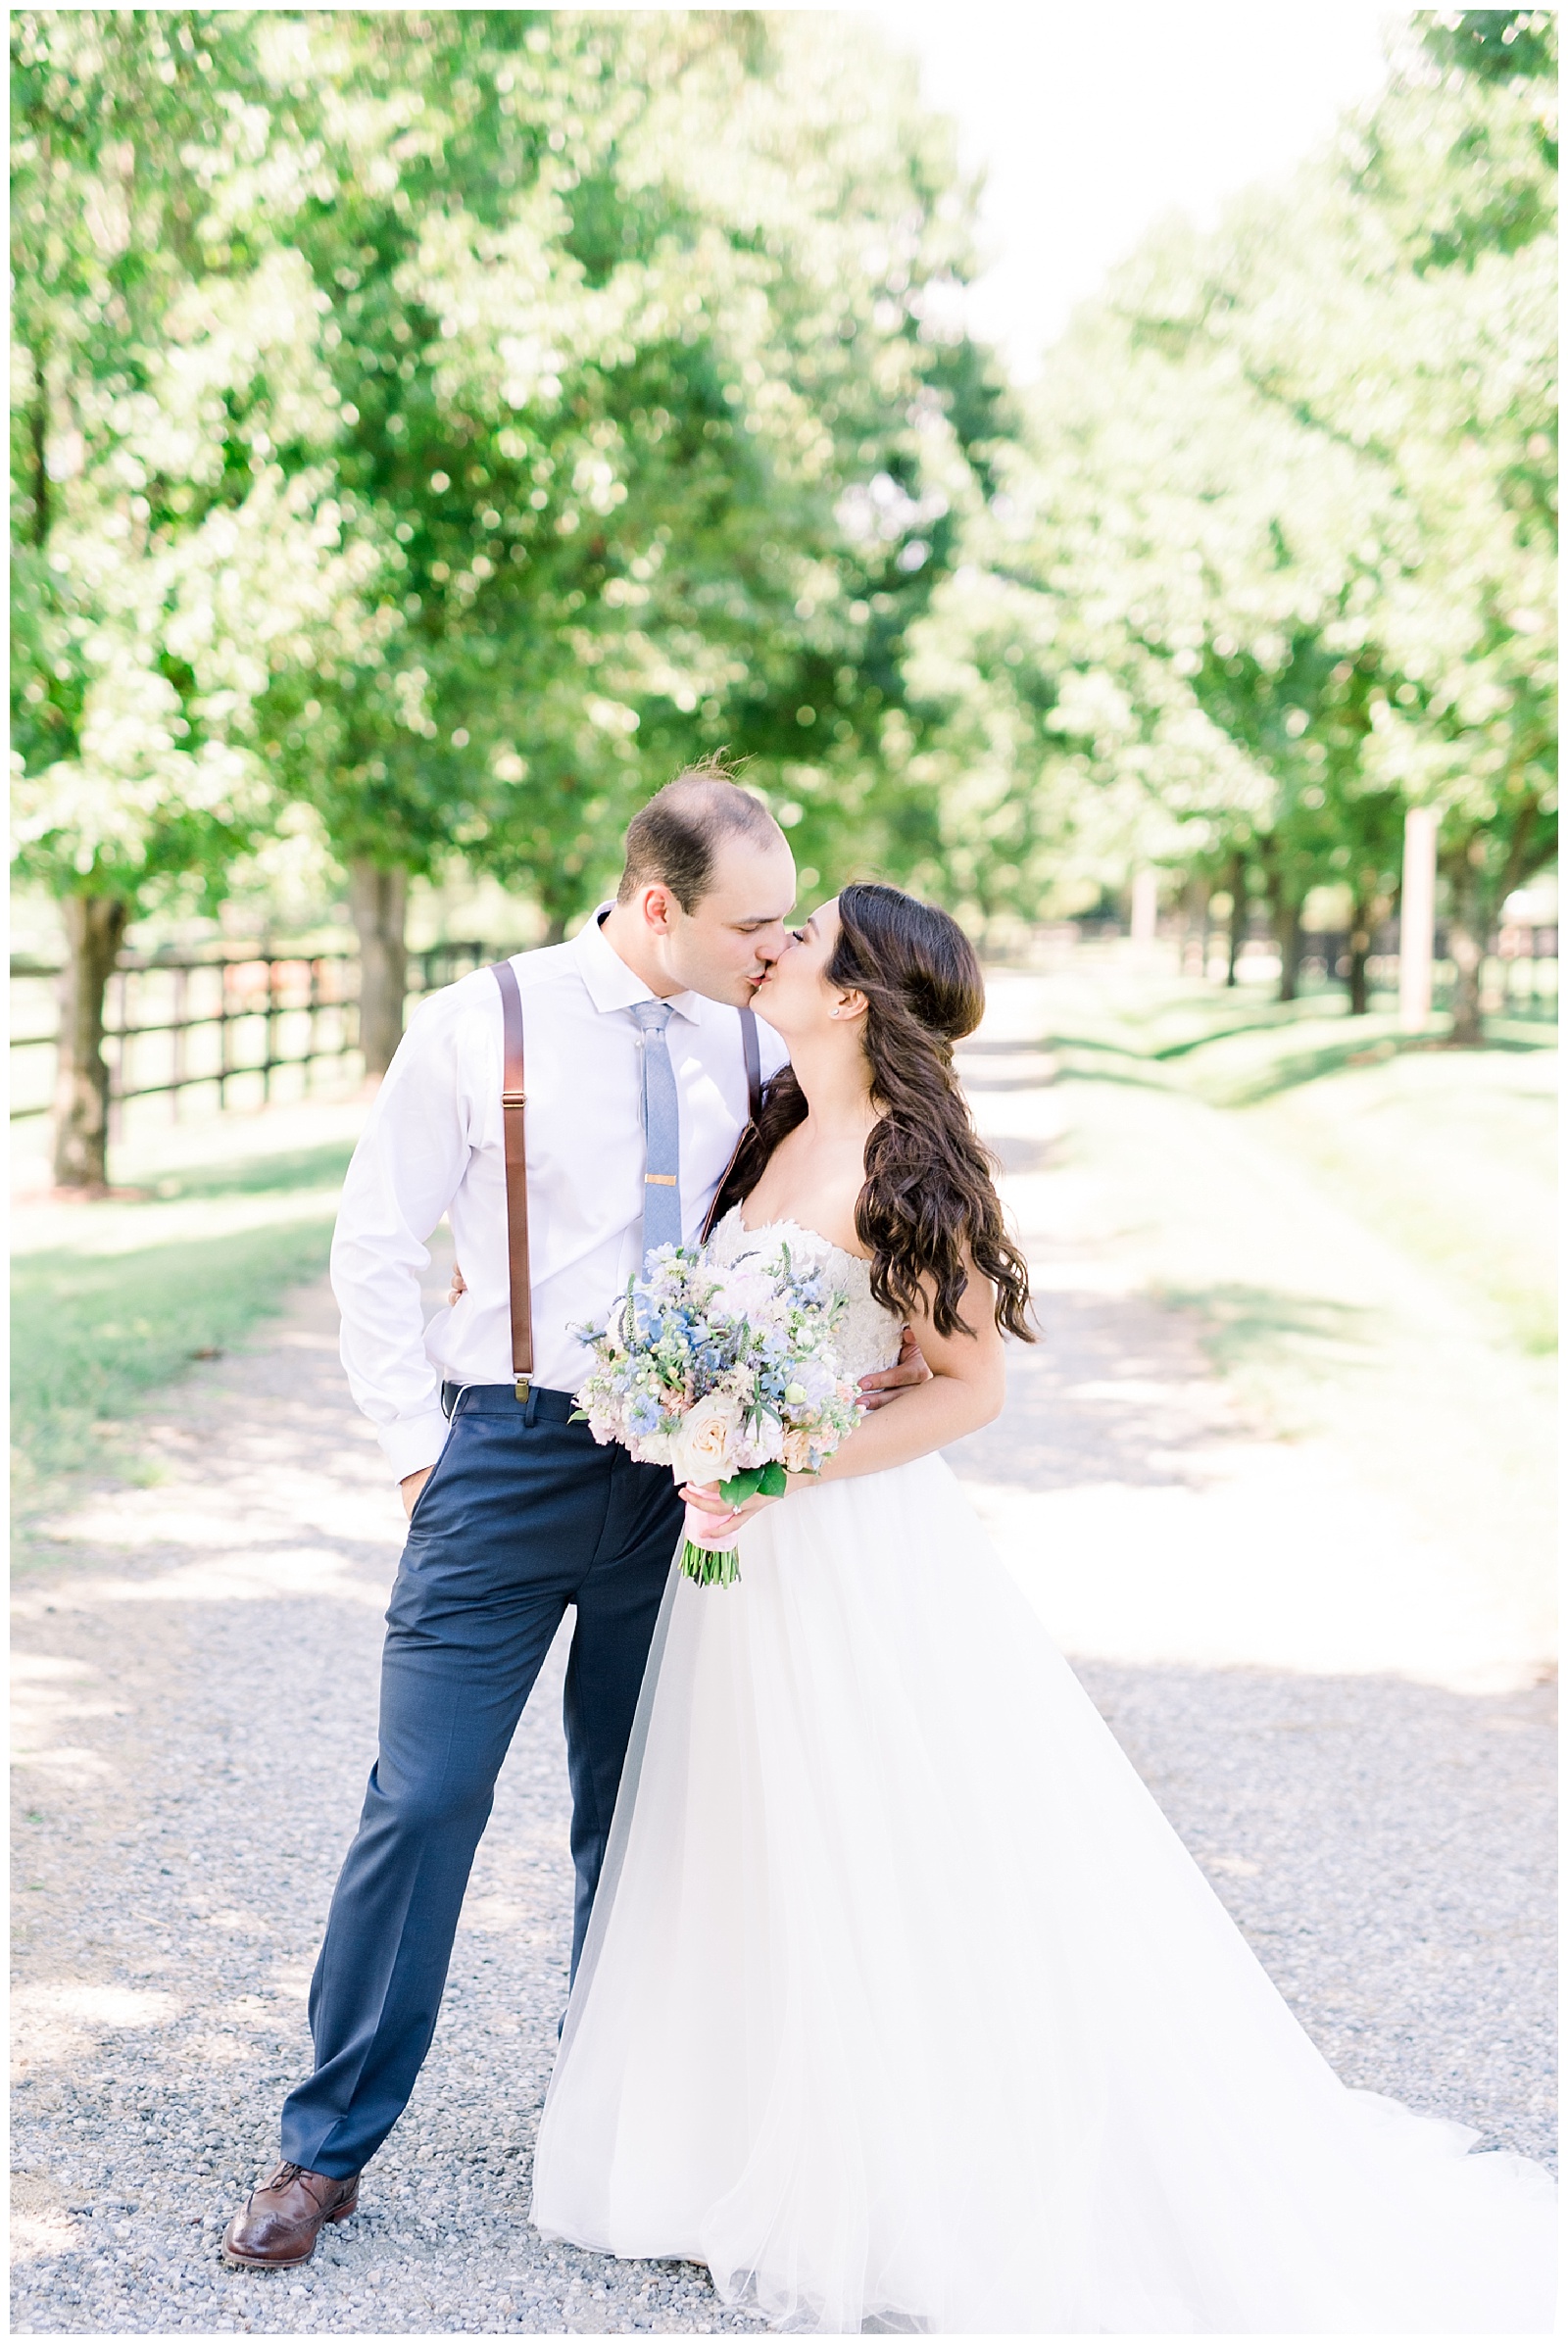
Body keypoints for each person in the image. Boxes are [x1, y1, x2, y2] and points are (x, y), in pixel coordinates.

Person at [529, 881, 1557, 2335]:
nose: (775, 945)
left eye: (803, 935)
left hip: (846, 1557)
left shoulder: (908, 1166)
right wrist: (703, 1425)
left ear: (853, 994)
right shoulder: (775, 1123)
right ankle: (725, 2152)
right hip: (744, 1553)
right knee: (744, 1827)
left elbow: (968, 1391)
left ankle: (894, 2164)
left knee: (874, 1842)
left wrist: (778, 1457)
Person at [220, 775, 927, 2272]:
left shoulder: (767, 1035)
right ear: (658, 906)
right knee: (424, 1800)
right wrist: (422, 1459)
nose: (776, 946)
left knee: (649, 1810)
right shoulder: (486, 1024)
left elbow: (854, 1196)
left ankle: (612, 2118)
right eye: (750, 923)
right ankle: (324, 2148)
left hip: (693, 1481)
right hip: (506, 1455)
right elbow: (372, 1242)